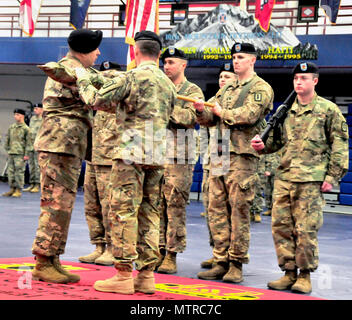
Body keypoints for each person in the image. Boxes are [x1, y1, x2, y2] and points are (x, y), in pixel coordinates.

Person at [74, 30, 176, 294]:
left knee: (123, 212)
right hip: (157, 153)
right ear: (159, 54)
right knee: (150, 214)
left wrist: (83, 79)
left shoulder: (131, 76)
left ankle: (122, 275)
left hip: (131, 151)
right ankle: (146, 275)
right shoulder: (168, 84)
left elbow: (95, 100)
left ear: (136, 52)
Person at [251, 62, 349, 293]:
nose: (299, 82)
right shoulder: (284, 111)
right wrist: (261, 145)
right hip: (284, 178)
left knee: (305, 229)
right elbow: (275, 143)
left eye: (304, 78)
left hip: (310, 180)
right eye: (296, 78)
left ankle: (305, 275)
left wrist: (332, 176)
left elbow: (340, 146)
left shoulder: (328, 110)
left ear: (315, 81)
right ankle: (288, 272)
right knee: (281, 227)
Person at [193, 42, 274, 283]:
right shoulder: (226, 89)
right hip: (219, 153)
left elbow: (249, 115)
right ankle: (220, 260)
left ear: (252, 61)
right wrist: (201, 111)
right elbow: (209, 119)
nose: (236, 61)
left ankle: (236, 263)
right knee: (216, 210)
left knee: (238, 212)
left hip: (241, 156)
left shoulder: (260, 87)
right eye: (234, 57)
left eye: (240, 57)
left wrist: (220, 113)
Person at [31, 29, 103, 284]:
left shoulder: (75, 70)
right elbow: (96, 90)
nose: (98, 53)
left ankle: (52, 258)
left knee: (63, 204)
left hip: (67, 145)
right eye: (95, 49)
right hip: (59, 145)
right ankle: (43, 260)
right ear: (85, 50)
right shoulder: (71, 71)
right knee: (55, 204)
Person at [157, 47, 204, 274]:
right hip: (156, 154)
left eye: (171, 62)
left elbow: (190, 118)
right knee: (156, 205)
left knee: (175, 206)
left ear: (183, 65)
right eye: (165, 62)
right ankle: (157, 249)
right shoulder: (159, 87)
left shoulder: (192, 90)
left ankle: (171, 254)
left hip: (179, 157)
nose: (166, 66)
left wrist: (165, 110)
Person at [78, 61, 122, 266]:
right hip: (92, 159)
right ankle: (99, 245)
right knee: (91, 205)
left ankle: (114, 248)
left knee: (109, 206)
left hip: (110, 161)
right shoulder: (94, 104)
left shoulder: (117, 103)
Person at [199, 62, 237, 269]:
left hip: (231, 161)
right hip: (212, 161)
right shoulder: (213, 101)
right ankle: (217, 252)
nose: (223, 80)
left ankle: (231, 255)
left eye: (228, 77)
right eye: (221, 76)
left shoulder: (236, 103)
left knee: (230, 211)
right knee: (213, 211)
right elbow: (204, 131)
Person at [2, 108, 32, 198]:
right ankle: (12, 189)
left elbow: (29, 143)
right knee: (11, 172)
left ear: (22, 116)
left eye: (17, 115)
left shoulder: (26, 129)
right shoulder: (12, 127)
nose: (15, 116)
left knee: (19, 172)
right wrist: (7, 149)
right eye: (15, 114)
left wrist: (27, 154)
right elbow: (7, 139)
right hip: (12, 153)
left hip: (20, 153)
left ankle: (18, 190)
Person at [23, 103, 43, 193]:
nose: (35, 110)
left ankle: (37, 184)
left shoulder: (44, 119)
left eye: (37, 108)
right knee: (31, 166)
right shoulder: (32, 119)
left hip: (39, 145)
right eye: (34, 108)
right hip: (31, 145)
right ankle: (32, 184)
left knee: (37, 165)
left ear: (42, 109)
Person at [261, 152, 280, 216]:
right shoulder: (267, 152)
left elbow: (276, 163)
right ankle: (269, 208)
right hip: (266, 173)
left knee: (275, 192)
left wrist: (271, 172)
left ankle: (275, 210)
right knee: (267, 192)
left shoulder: (278, 151)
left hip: (276, 174)